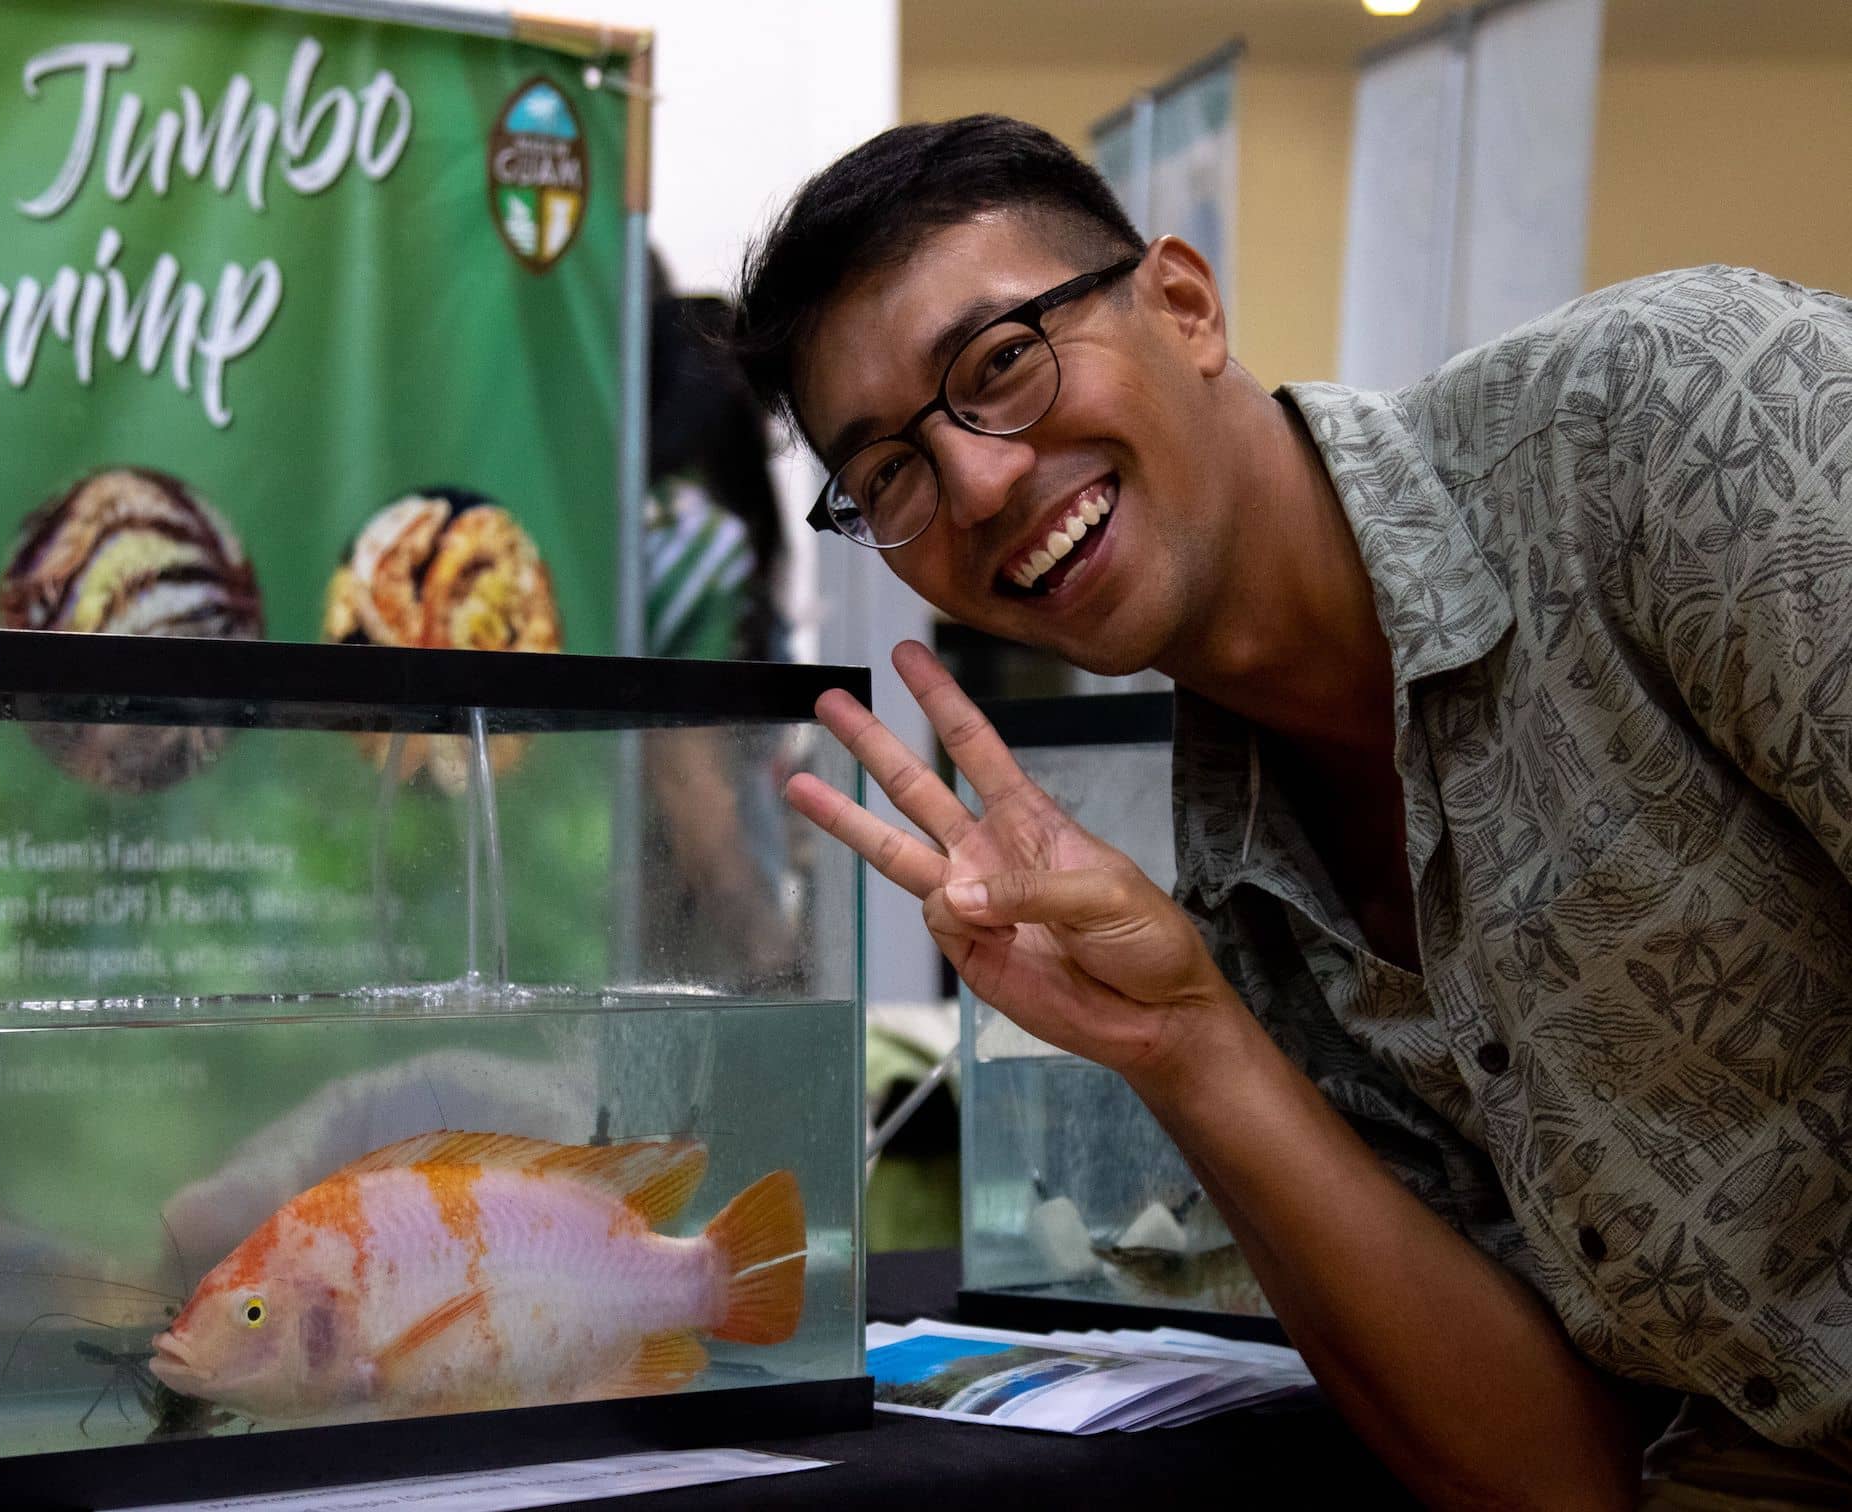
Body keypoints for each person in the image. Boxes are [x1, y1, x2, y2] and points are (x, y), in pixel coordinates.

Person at [734, 114, 1852, 1509]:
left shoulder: (1672, 428)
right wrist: (1184, 1041)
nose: (973, 481)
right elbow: (1553, 1479)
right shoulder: (1235, 897)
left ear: (1187, 307)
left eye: (1001, 365)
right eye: (889, 471)